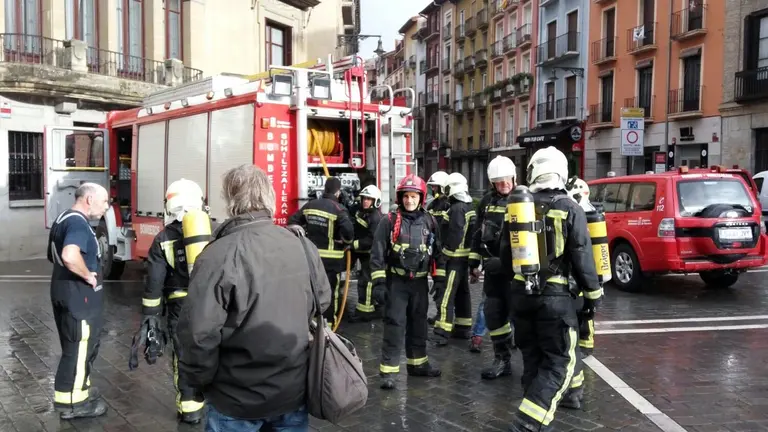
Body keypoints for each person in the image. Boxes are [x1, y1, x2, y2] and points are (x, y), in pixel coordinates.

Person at [176, 164, 331, 432]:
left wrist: (195, 384)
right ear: (269, 197)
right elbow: (323, 301)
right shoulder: (302, 245)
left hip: (235, 401)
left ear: (230, 200)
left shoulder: (217, 254)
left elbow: (199, 334)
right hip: (292, 392)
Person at [500, 147, 603, 432]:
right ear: (562, 172)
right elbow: (582, 255)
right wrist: (593, 295)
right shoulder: (570, 207)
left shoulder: (519, 206)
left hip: (521, 296)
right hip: (555, 299)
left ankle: (538, 422)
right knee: (561, 362)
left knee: (533, 359)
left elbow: (506, 256)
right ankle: (528, 423)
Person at [140, 178, 209, 424]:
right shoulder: (212, 231)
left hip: (180, 307)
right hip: (211, 304)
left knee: (183, 354)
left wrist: (150, 317)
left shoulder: (163, 239)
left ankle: (190, 408)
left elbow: (154, 283)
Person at [371, 174, 442, 390]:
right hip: (397, 283)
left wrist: (439, 280)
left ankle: (418, 364)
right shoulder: (389, 221)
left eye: (413, 196)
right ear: (400, 198)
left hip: (420, 284)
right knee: (395, 325)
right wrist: (379, 284)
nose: (409, 201)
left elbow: (438, 254)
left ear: (421, 198)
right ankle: (389, 371)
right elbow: (377, 254)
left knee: (419, 325)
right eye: (406, 196)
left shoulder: (430, 221)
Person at [47, 183, 110, 420]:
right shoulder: (77, 223)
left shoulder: (63, 218)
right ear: (89, 199)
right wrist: (88, 275)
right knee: (79, 349)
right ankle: (73, 404)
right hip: (78, 297)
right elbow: (69, 255)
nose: (106, 207)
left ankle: (79, 390)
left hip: (63, 290)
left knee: (74, 348)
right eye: (104, 201)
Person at [469, 155, 518, 379]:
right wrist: (473, 262)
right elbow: (477, 234)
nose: (504, 184)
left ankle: (533, 365)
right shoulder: (486, 203)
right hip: (492, 271)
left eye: (507, 179)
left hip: (517, 273)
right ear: (492, 183)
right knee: (494, 314)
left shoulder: (524, 200)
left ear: (514, 178)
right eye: (499, 181)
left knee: (522, 317)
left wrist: (507, 261)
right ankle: (502, 359)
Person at [288, 177, 354, 328]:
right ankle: (329, 327)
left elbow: (293, 221)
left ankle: (309, 324)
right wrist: (345, 242)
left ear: (325, 189)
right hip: (332, 261)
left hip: (311, 258)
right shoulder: (339, 209)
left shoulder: (310, 205)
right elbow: (349, 231)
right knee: (330, 293)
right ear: (338, 192)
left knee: (311, 291)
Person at [432, 172, 475, 345]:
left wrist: (444, 252)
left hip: (454, 260)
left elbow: (455, 234)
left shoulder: (457, 209)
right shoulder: (469, 207)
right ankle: (463, 327)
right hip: (464, 258)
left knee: (446, 294)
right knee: (462, 294)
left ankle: (442, 331)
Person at [566, 177, 597, 358]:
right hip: (589, 269)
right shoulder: (591, 211)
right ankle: (586, 343)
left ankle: (585, 343)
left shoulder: (579, 212)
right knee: (588, 307)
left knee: (584, 308)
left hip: (581, 268)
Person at [348, 185, 384, 322]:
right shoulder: (363, 212)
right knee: (364, 281)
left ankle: (366, 311)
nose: (365, 201)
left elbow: (370, 239)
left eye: (369, 199)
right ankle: (367, 308)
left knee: (367, 282)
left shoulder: (375, 217)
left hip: (371, 254)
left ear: (376, 201)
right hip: (362, 253)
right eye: (364, 198)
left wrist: (353, 244)